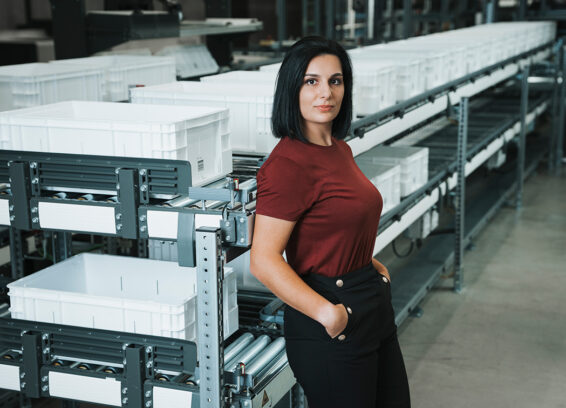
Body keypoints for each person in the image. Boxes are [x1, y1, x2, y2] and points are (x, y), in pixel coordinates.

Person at [250, 36, 411, 408]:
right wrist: (329, 314)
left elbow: (337, 222)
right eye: (312, 81)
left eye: (335, 81)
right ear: (292, 88)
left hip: (370, 305)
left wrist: (373, 267)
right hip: (330, 320)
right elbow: (264, 259)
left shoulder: (339, 149)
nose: (326, 92)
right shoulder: (287, 166)